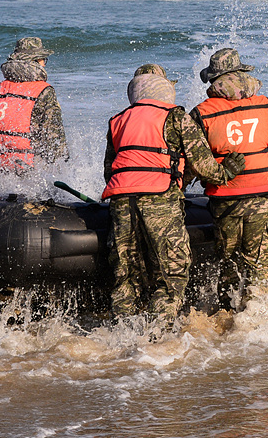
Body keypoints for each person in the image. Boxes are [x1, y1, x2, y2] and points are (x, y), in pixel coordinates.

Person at [102, 64, 245, 323]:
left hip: (122, 202)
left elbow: (109, 171)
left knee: (126, 276)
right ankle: (158, 337)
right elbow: (204, 166)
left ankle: (122, 336)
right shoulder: (176, 117)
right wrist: (227, 173)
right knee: (172, 274)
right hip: (159, 201)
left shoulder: (118, 119)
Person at [190, 48, 268, 311]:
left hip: (225, 198)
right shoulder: (265, 105)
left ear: (214, 81)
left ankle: (226, 314)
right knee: (259, 263)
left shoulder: (201, 113)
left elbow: (193, 162)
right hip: (262, 196)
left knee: (229, 261)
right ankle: (253, 318)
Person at [0, 37, 68, 173]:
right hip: (26, 167)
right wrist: (64, 165)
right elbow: (54, 137)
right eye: (43, 60)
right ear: (34, 62)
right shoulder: (43, 90)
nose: (44, 65)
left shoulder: (0, 88)